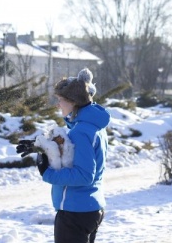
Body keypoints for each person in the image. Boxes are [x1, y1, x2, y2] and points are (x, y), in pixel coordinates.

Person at [17, 68, 111, 243]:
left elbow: (84, 175)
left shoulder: (81, 131)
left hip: (75, 212)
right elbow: (68, 149)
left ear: (73, 102)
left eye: (60, 100)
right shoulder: (91, 126)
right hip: (89, 208)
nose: (57, 104)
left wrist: (47, 173)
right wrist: (39, 146)